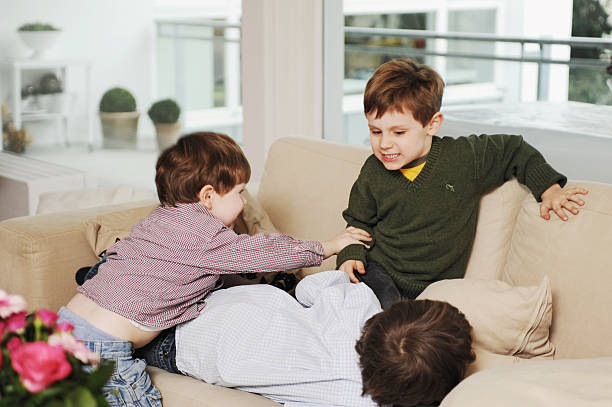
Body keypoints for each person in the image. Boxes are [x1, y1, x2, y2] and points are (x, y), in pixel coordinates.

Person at [57, 132, 371, 407]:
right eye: (239, 193)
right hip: (102, 346)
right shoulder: (205, 236)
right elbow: (261, 252)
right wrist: (324, 247)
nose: (244, 203)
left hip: (68, 320)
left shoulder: (161, 218)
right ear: (208, 196)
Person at [337, 58, 589, 309]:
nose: (384, 144)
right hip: (379, 271)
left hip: (434, 288)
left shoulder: (465, 157)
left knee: (422, 329)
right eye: (376, 131)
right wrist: (350, 254)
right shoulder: (373, 170)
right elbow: (359, 222)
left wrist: (549, 188)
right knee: (379, 309)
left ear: (432, 124)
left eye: (399, 132)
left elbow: (515, 149)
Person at [149, 270, 475, 407]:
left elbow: (309, 287)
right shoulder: (354, 401)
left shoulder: (359, 304)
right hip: (185, 351)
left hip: (220, 301)